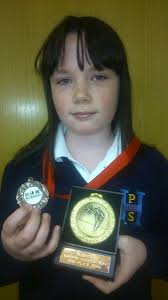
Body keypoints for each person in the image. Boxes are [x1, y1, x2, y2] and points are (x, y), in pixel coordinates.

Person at [0, 15, 168, 300]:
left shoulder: (153, 167)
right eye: (64, 80)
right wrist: (12, 253)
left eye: (99, 76)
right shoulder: (22, 170)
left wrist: (146, 252)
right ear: (49, 89)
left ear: (121, 83)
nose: (81, 94)